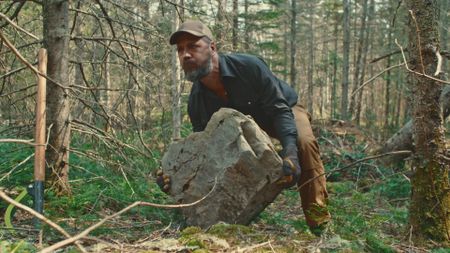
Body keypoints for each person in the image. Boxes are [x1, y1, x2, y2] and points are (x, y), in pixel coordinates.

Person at [158, 19, 331, 235]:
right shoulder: (197, 102)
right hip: (246, 131)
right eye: (180, 49)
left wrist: (290, 153)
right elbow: (204, 153)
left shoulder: (248, 67)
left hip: (282, 110)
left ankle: (319, 223)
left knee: (303, 143)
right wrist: (175, 177)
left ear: (212, 48)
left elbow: (279, 109)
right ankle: (228, 226)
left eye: (193, 46)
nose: (185, 55)